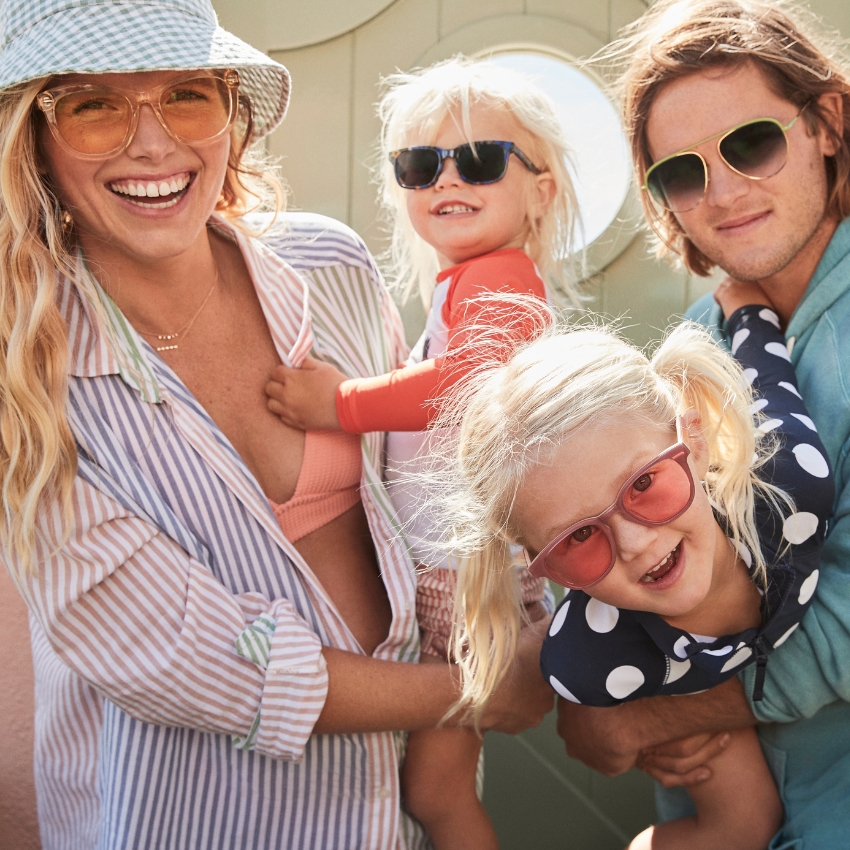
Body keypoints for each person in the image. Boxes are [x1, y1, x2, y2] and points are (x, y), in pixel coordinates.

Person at [0, 2, 554, 848]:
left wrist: (527, 623)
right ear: (30, 139)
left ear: (232, 114)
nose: (153, 146)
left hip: (399, 813)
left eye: (188, 94)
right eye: (92, 105)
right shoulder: (24, 377)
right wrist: (478, 688)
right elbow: (180, 657)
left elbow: (434, 471)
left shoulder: (327, 266)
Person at [264, 58, 579, 850]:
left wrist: (339, 401)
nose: (446, 179)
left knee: (435, 791)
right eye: (418, 166)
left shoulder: (502, 279)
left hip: (464, 573)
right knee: (431, 785)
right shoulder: (464, 283)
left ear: (542, 188)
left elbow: (464, 382)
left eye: (478, 160)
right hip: (449, 566)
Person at [556, 1, 850, 846]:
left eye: (751, 143)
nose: (721, 192)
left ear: (828, 122)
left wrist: (638, 714)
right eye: (681, 172)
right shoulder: (698, 342)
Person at [437, 289, 832, 848]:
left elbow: (765, 375)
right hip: (679, 678)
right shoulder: (595, 658)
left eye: (643, 484)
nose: (635, 543)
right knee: (740, 828)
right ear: (545, 570)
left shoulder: (792, 490)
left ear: (692, 440)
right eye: (578, 538)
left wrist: (747, 310)